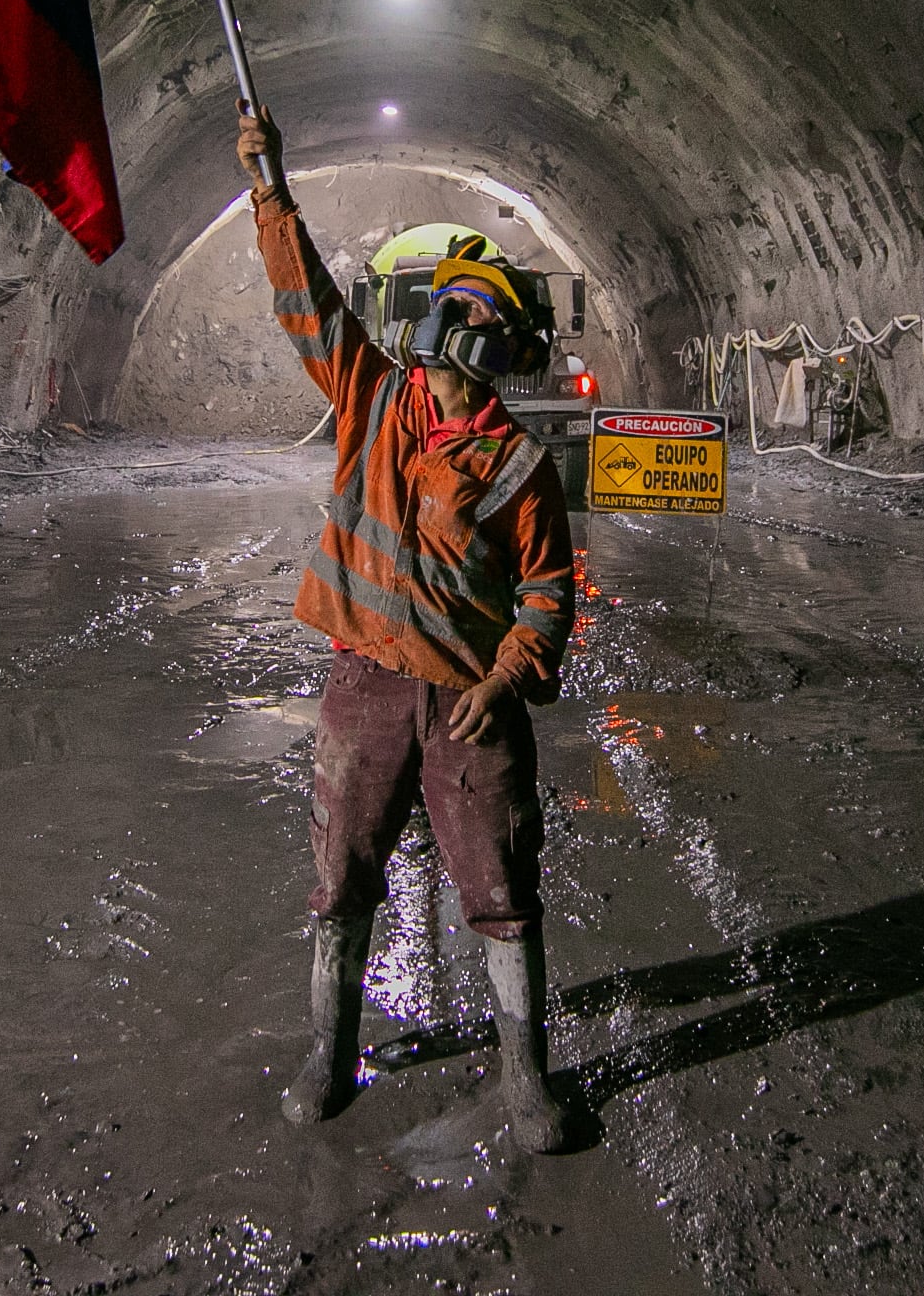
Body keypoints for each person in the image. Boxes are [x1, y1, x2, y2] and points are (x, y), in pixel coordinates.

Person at [236, 105, 579, 1151]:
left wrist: (508, 676)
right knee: (342, 872)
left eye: (464, 364)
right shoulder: (373, 400)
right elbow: (309, 304)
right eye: (440, 359)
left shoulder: (518, 465)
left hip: (470, 707)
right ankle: (328, 1052)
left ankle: (528, 1077)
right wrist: (268, 187)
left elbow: (548, 589)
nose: (442, 377)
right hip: (366, 691)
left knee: (501, 886)